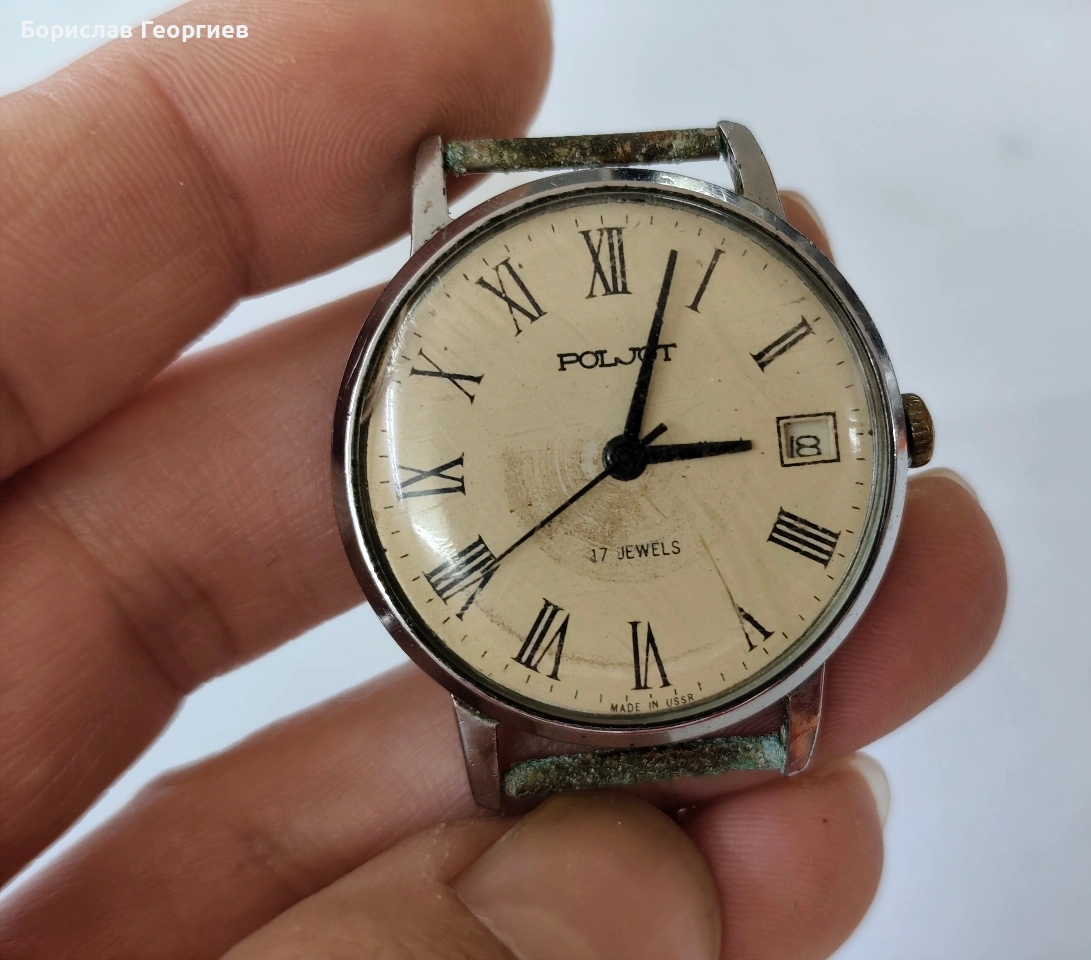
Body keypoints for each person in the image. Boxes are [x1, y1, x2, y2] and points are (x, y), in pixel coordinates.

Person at [0, 2, 1006, 957]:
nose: (623, 463)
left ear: (896, 433)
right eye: (623, 459)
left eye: (628, 460)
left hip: (754, 667)